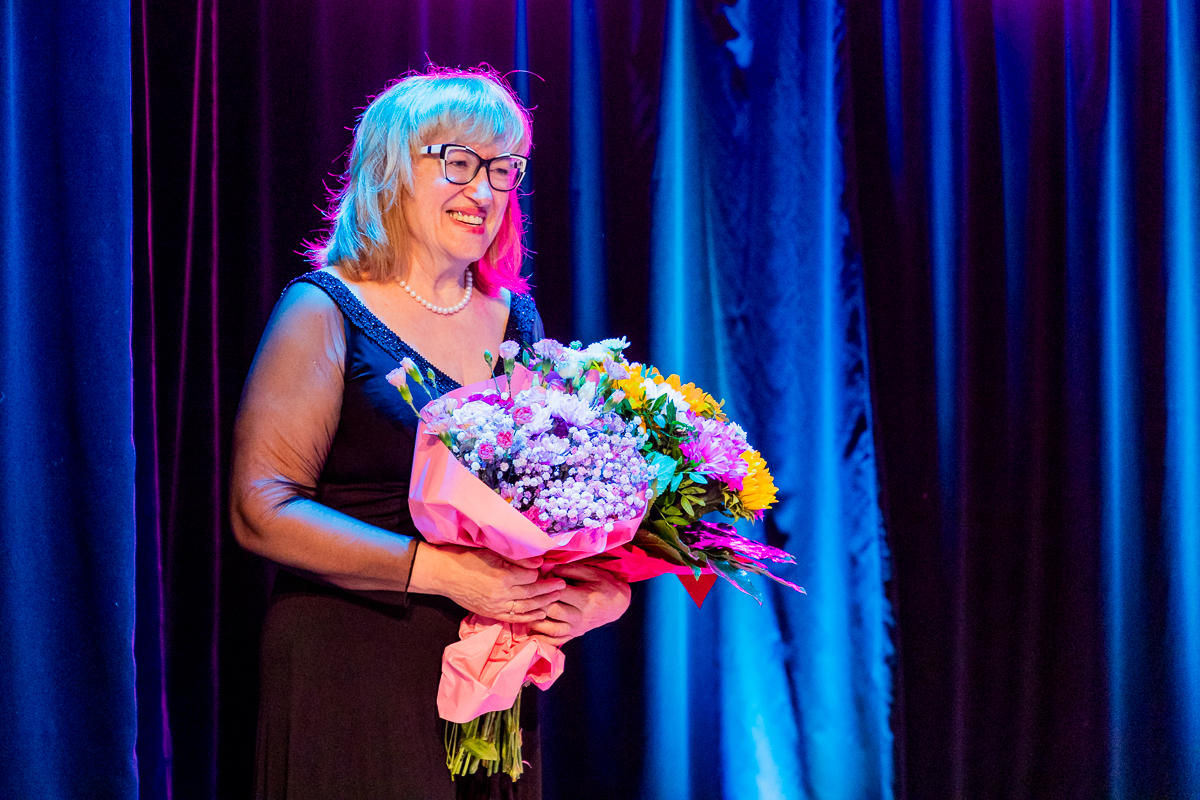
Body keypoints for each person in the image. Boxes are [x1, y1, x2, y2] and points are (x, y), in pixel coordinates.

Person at [229, 67, 631, 800]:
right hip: (351, 665)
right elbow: (262, 508)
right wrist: (444, 573)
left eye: (503, 169)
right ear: (390, 171)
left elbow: (550, 514)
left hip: (488, 672)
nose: (485, 191)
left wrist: (601, 595)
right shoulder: (323, 309)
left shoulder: (517, 321)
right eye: (459, 162)